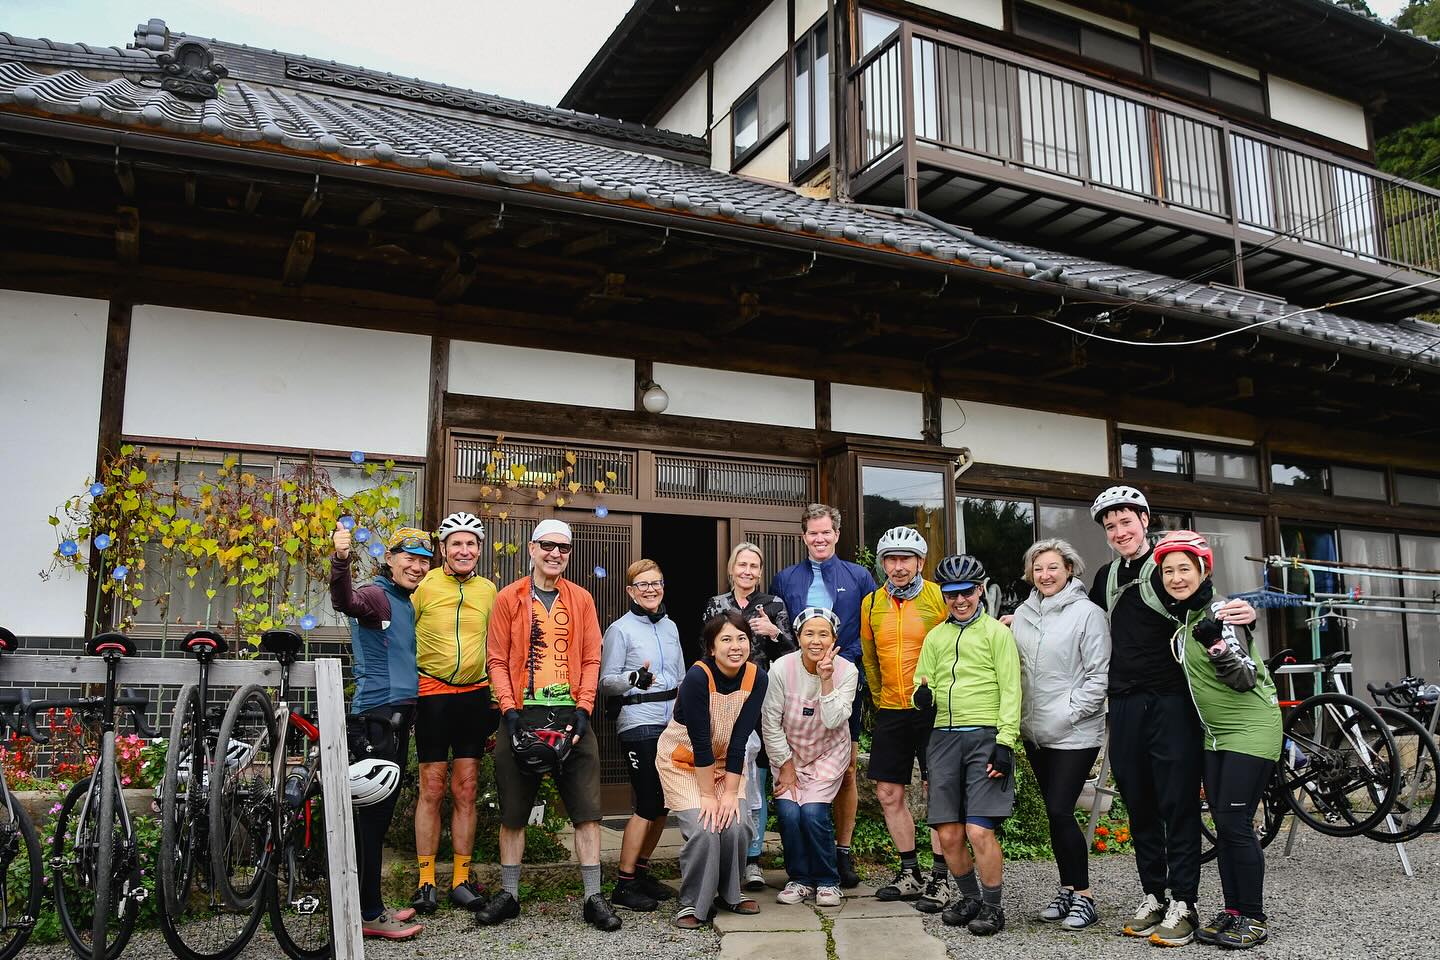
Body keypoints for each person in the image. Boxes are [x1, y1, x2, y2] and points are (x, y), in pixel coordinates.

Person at [1086, 486, 1256, 947]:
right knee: (1139, 802)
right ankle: (1153, 893)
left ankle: (1184, 900)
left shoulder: (1165, 563)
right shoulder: (1104, 576)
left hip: (1172, 700)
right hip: (1123, 702)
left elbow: (1207, 602)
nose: (1120, 532)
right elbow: (1082, 622)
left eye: (1127, 522)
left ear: (1144, 520)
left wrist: (1244, 610)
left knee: (1176, 803)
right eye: (1111, 526)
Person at [479, 519, 621, 931]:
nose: (556, 553)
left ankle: (594, 897)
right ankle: (509, 894)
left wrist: (584, 709)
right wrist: (509, 712)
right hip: (522, 713)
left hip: (571, 714)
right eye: (548, 545)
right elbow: (497, 660)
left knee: (587, 811)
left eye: (564, 547)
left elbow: (592, 658)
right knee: (513, 811)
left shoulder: (581, 599)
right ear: (531, 548)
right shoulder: (509, 598)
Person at [1152, 531, 1282, 951]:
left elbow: (1244, 679)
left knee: (1235, 823)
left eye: (1183, 569)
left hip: (1249, 728)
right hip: (1215, 736)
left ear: (1203, 569)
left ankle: (1254, 917)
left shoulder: (1224, 611)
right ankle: (1233, 910)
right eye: (1167, 570)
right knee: (1225, 826)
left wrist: (1216, 644)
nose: (1175, 577)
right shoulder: (1186, 617)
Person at [330, 522, 432, 940]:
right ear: (389, 559)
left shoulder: (402, 600)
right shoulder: (376, 595)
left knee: (379, 816)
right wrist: (340, 560)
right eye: (409, 557)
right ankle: (368, 913)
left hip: (397, 716)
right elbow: (344, 601)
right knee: (372, 819)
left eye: (425, 560)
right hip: (377, 718)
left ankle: (369, 903)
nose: (418, 566)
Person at [912, 554, 1020, 938]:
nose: (959, 601)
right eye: (951, 594)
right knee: (948, 833)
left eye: (967, 593)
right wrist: (922, 697)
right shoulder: (936, 637)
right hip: (943, 737)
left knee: (978, 830)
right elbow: (923, 686)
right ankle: (971, 897)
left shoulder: (997, 634)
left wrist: (1005, 743)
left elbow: (1011, 689)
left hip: (986, 736)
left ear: (980, 590)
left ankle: (993, 907)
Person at [770, 504, 876, 888]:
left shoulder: (859, 575)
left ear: (836, 534)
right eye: (812, 533)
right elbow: (782, 632)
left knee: (846, 768)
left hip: (844, 677)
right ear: (804, 537)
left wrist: (854, 670)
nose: (819, 539)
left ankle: (841, 852)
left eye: (825, 532)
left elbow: (871, 629)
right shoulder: (785, 578)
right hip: (798, 679)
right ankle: (807, 855)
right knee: (799, 757)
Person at [1011, 538, 1110, 930]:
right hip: (1034, 732)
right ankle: (1068, 887)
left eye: (1053, 567)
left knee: (1058, 809)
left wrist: (1067, 715)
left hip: (1075, 732)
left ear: (1069, 569)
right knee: (1058, 817)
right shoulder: (1022, 613)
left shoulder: (1088, 614)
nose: (1045, 575)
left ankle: (1085, 897)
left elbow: (1098, 676)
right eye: (1038, 568)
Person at [656, 611, 769, 929]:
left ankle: (730, 893)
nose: (736, 646)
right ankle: (693, 903)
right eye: (726, 639)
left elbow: (740, 740)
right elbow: (700, 742)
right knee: (706, 828)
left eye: (742, 638)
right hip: (683, 761)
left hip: (726, 763)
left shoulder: (756, 678)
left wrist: (730, 793)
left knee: (736, 824)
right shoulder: (697, 677)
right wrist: (708, 795)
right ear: (711, 647)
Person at [409, 511, 498, 915]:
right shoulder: (423, 586)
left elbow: (498, 646)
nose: (464, 550)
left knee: (466, 788)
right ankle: (426, 879)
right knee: (432, 787)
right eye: (456, 543)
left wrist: (498, 697)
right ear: (443, 549)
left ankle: (462, 878)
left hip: (475, 697)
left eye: (471, 543)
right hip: (432, 693)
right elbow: (399, 638)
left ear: (479, 550)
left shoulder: (488, 590)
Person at [860, 527, 951, 910]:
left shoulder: (938, 597)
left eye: (906, 559)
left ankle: (942, 878)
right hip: (892, 710)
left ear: (919, 562)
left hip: (933, 711)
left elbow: (953, 648)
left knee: (938, 794)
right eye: (891, 559)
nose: (898, 567)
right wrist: (882, 700)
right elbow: (869, 657)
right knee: (888, 792)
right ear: (882, 563)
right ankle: (910, 873)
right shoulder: (871, 603)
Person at [703, 541, 795, 889]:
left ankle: (753, 857)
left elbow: (791, 652)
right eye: (741, 565)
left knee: (757, 778)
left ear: (760, 571)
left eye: (754, 566)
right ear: (732, 569)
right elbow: (706, 649)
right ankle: (730, 852)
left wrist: (774, 632)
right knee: (728, 770)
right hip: (726, 695)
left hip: (764, 695)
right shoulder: (716, 604)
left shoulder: (773, 604)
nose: (747, 571)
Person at [600, 559, 685, 912]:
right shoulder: (620, 630)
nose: (651, 590)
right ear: (630, 591)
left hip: (670, 721)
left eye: (657, 583)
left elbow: (680, 676)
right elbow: (606, 682)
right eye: (643, 585)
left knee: (665, 802)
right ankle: (624, 882)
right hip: (638, 719)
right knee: (648, 801)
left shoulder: (670, 627)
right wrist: (634, 677)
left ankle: (642, 871)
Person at [760, 608, 858, 908]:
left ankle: (828, 881)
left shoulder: (847, 671)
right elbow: (770, 722)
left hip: (829, 752)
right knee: (790, 814)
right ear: (798, 637)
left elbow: (833, 720)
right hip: (789, 753)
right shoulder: (780, 668)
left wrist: (826, 680)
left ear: (834, 638)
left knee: (813, 813)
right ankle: (800, 879)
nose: (816, 641)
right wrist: (786, 767)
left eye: (823, 634)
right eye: (809, 633)